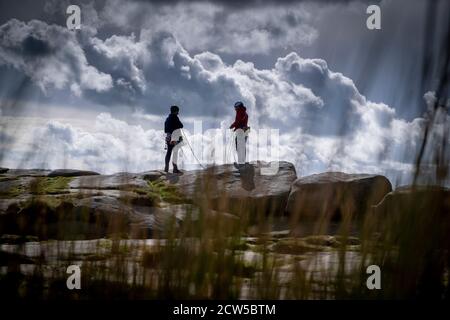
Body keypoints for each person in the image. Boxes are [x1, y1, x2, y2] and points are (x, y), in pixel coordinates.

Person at [164, 105, 184, 173]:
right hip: (175, 137)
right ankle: (175, 169)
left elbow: (165, 129)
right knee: (175, 152)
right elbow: (181, 125)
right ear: (176, 111)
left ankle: (166, 168)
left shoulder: (167, 119)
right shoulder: (175, 117)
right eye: (177, 111)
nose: (178, 112)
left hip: (169, 137)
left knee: (169, 152)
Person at [229, 101, 249, 167]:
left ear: (239, 107)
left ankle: (241, 163)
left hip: (241, 131)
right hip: (245, 131)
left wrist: (232, 126)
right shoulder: (245, 113)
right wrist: (235, 128)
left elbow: (237, 121)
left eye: (236, 107)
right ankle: (242, 162)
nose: (235, 108)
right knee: (242, 147)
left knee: (239, 147)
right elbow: (241, 122)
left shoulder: (240, 112)